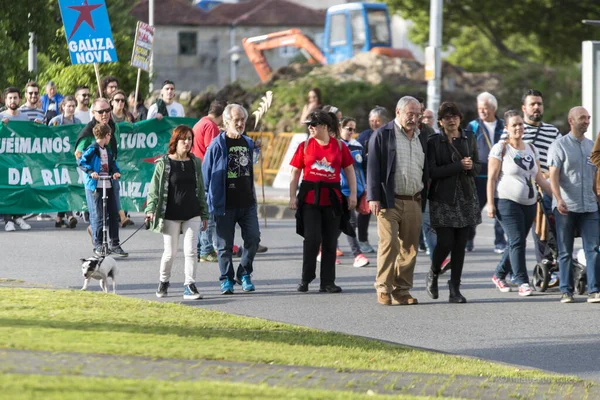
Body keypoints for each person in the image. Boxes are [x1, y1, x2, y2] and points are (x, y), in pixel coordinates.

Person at [367, 96, 428, 306]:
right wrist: (373, 197)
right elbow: (373, 166)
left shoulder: (423, 136)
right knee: (389, 243)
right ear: (398, 111)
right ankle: (383, 287)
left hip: (413, 200)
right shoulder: (383, 134)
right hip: (387, 200)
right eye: (409, 113)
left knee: (410, 248)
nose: (413, 118)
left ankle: (402, 291)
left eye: (417, 114)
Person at [289, 110, 357, 293]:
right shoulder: (304, 146)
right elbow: (295, 172)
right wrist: (292, 196)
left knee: (330, 241)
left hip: (332, 199)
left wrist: (352, 195)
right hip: (309, 198)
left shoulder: (340, 146)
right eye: (308, 125)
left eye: (313, 124)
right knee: (312, 239)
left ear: (325, 126)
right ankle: (306, 278)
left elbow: (349, 170)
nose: (310, 128)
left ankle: (327, 282)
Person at [488, 110, 551, 297]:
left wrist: (557, 198)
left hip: (529, 203)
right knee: (517, 241)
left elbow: (539, 177)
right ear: (506, 128)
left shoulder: (531, 149)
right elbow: (491, 179)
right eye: (514, 125)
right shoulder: (501, 148)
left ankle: (499, 274)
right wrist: (490, 204)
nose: (518, 128)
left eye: (520, 124)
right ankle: (522, 281)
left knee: (517, 242)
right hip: (506, 202)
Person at [145, 125, 210, 300]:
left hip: (192, 213)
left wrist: (204, 214)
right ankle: (164, 281)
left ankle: (190, 285)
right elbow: (154, 189)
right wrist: (150, 209)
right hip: (171, 214)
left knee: (191, 251)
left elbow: (200, 189)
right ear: (176, 141)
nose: (187, 142)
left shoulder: (195, 162)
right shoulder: (164, 163)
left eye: (190, 139)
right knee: (170, 253)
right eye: (184, 139)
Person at [425, 102, 480, 303]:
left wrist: (471, 166)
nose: (451, 119)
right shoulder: (434, 141)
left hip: (466, 197)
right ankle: (433, 272)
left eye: (454, 116)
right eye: (447, 117)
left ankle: (454, 288)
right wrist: (458, 166)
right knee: (445, 241)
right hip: (443, 198)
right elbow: (432, 171)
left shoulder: (469, 138)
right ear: (440, 121)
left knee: (460, 245)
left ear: (460, 118)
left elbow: (477, 167)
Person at [203, 104, 260, 294]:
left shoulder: (248, 143)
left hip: (247, 203)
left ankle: (244, 273)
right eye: (237, 120)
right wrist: (205, 203)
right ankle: (226, 279)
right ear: (227, 122)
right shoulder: (216, 145)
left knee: (253, 238)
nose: (241, 123)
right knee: (224, 246)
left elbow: (252, 166)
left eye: (243, 119)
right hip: (224, 204)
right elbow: (206, 174)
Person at [549, 106, 600, 304]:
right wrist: (559, 199)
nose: (586, 121)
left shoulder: (591, 147)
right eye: (582, 118)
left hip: (590, 206)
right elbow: (553, 175)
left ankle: (594, 290)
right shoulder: (559, 146)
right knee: (565, 250)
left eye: (588, 118)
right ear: (571, 121)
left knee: (593, 248)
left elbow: (596, 174)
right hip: (566, 206)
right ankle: (566, 291)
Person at [78, 123, 128, 257]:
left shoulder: (107, 150)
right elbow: (82, 162)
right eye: (109, 135)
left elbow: (112, 164)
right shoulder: (92, 149)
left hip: (108, 183)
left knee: (113, 214)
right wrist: (91, 172)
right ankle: (98, 244)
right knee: (100, 216)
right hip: (97, 184)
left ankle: (115, 244)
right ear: (107, 135)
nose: (110, 138)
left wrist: (116, 172)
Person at [467, 92, 507, 253]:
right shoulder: (473, 125)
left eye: (485, 108)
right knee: (473, 209)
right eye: (479, 108)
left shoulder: (504, 125)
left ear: (493, 108)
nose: (482, 111)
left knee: (499, 209)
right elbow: (466, 146)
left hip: (499, 175)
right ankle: (468, 239)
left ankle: (499, 241)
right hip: (479, 175)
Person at [192, 99, 227, 263]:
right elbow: (212, 151)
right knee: (208, 214)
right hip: (207, 174)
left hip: (198, 171)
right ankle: (206, 249)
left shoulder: (201, 122)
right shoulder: (210, 126)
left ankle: (201, 248)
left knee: (203, 212)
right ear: (222, 114)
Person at [356, 106, 388, 254]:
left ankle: (387, 243)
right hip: (366, 179)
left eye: (377, 121)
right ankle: (362, 241)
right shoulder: (364, 136)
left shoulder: (390, 135)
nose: (374, 123)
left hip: (386, 180)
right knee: (365, 211)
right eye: (371, 120)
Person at [339, 117, 369, 268]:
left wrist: (365, 188)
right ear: (340, 128)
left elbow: (362, 168)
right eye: (348, 129)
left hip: (357, 191)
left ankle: (324, 248)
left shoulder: (356, 146)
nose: (352, 132)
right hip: (343, 190)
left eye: (354, 129)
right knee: (351, 222)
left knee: (339, 225)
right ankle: (357, 254)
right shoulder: (337, 146)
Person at [1, 87, 32, 232]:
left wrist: (36, 127)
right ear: (5, 100)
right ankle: (8, 220)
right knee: (8, 189)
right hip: (4, 161)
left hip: (20, 160)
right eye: (10, 98)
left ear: (20, 99)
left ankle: (19, 217)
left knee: (20, 188)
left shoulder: (24, 118)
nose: (13, 101)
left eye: (15, 98)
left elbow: (30, 137)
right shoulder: (1, 117)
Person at [49, 95, 82, 229]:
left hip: (72, 160)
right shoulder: (55, 121)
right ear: (62, 107)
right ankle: (70, 215)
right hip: (60, 160)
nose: (71, 108)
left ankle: (58, 218)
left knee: (70, 186)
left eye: (73, 106)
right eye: (69, 106)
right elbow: (47, 136)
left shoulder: (78, 121)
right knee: (64, 186)